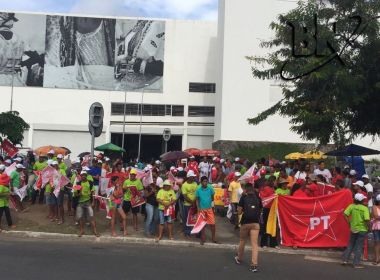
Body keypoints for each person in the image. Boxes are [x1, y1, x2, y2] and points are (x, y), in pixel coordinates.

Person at [234, 183, 262, 272]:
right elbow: (261, 209)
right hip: (255, 223)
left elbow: (239, 212)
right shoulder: (258, 197)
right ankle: (254, 265)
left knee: (242, 241)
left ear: (246, 189)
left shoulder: (243, 197)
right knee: (254, 244)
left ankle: (239, 258)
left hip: (245, 222)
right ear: (253, 189)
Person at [342, 193, 370, 268]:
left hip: (353, 228)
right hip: (362, 229)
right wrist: (369, 228)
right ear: (361, 200)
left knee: (350, 244)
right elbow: (367, 219)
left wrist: (349, 222)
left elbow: (345, 214)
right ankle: (356, 264)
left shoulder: (351, 206)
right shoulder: (364, 208)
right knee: (359, 246)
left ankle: (345, 260)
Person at [74, 170, 99, 237]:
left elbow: (93, 192)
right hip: (80, 203)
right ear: (81, 176)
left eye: (85, 175)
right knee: (80, 217)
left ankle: (95, 231)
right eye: (82, 175)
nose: (84, 176)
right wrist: (79, 193)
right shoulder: (78, 184)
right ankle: (82, 230)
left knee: (91, 216)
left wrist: (93, 202)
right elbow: (75, 195)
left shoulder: (90, 183)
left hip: (88, 202)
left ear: (86, 175)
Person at [196, 176, 218, 245]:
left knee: (213, 224)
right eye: (204, 181)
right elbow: (197, 199)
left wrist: (212, 205)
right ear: (201, 182)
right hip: (202, 209)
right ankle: (203, 238)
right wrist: (198, 208)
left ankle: (213, 238)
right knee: (202, 225)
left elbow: (212, 197)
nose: (205, 183)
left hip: (209, 209)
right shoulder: (198, 189)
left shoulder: (210, 188)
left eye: (206, 181)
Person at [181, 170, 198, 237]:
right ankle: (187, 232)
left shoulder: (195, 184)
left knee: (194, 218)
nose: (193, 178)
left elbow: (197, 193)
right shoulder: (184, 185)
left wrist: (194, 202)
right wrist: (192, 202)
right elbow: (185, 196)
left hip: (195, 203)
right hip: (187, 204)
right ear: (188, 177)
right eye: (192, 177)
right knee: (186, 218)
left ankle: (195, 231)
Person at [0, 164, 15, 231]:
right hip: (0, 203)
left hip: (5, 202)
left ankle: (10, 224)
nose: (8, 181)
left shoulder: (5, 184)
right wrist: (6, 194)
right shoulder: (1, 186)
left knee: (7, 213)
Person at [371, 194, 380, 265]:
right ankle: (377, 258)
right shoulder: (374, 207)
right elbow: (376, 216)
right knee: (377, 243)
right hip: (377, 227)